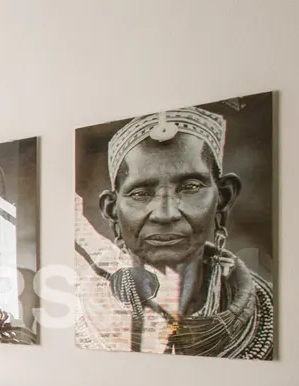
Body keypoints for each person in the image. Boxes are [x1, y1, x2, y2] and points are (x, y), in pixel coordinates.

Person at [92, 107, 273, 359]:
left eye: (190, 187)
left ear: (223, 198)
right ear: (112, 210)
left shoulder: (273, 311)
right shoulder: (79, 314)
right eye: (141, 193)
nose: (165, 214)